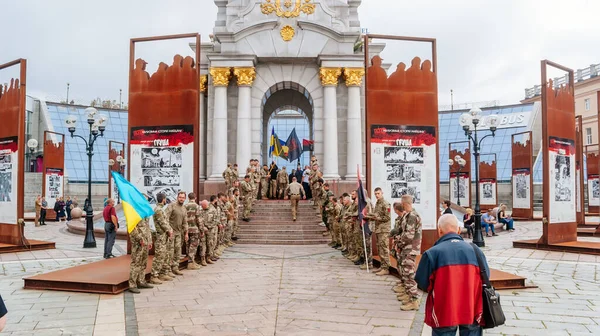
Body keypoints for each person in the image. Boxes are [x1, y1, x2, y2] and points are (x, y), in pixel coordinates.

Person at [415, 214, 490, 335]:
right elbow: (486, 277)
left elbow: (422, 283)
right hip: (472, 308)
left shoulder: (432, 253)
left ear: (439, 230)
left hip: (444, 311)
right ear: (458, 230)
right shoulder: (476, 250)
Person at [396, 195, 422, 311]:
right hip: (407, 247)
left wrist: (398, 241)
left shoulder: (412, 216)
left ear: (404, 203)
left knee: (409, 273)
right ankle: (409, 295)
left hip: (410, 248)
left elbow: (409, 235)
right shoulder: (409, 214)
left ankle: (414, 300)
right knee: (405, 272)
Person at [150, 192, 174, 284]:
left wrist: (169, 230)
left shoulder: (160, 209)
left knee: (165, 254)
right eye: (165, 199)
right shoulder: (158, 210)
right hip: (160, 236)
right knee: (159, 255)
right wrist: (169, 230)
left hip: (164, 236)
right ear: (163, 199)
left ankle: (163, 273)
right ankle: (154, 275)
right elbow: (162, 223)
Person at [367, 187, 391, 276]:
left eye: (378, 193)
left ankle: (386, 268)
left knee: (384, 248)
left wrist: (376, 218)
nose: (377, 195)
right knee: (380, 248)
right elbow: (377, 215)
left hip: (384, 230)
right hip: (378, 229)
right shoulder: (377, 203)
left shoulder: (385, 204)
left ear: (382, 193)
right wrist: (370, 216)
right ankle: (383, 265)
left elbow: (387, 217)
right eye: (375, 194)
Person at [165, 191, 188, 276]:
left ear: (185, 198)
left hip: (179, 233)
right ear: (177, 197)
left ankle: (175, 267)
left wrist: (186, 233)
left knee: (178, 251)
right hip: (171, 233)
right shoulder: (172, 206)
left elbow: (185, 222)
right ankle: (168, 270)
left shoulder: (184, 208)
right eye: (180, 197)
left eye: (183, 197)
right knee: (170, 252)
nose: (181, 199)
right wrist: (168, 230)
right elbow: (165, 218)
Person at [128, 218, 153, 294]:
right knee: (136, 263)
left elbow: (147, 228)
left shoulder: (145, 215)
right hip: (138, 244)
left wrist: (150, 241)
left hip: (145, 243)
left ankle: (141, 281)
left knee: (143, 262)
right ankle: (132, 285)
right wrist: (140, 239)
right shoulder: (134, 215)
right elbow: (132, 228)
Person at [185, 192, 202, 270]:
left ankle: (191, 261)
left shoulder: (185, 206)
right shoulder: (197, 206)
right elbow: (199, 219)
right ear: (195, 198)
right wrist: (201, 229)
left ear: (188, 198)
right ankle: (190, 263)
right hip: (194, 229)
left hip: (186, 229)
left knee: (188, 245)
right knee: (194, 245)